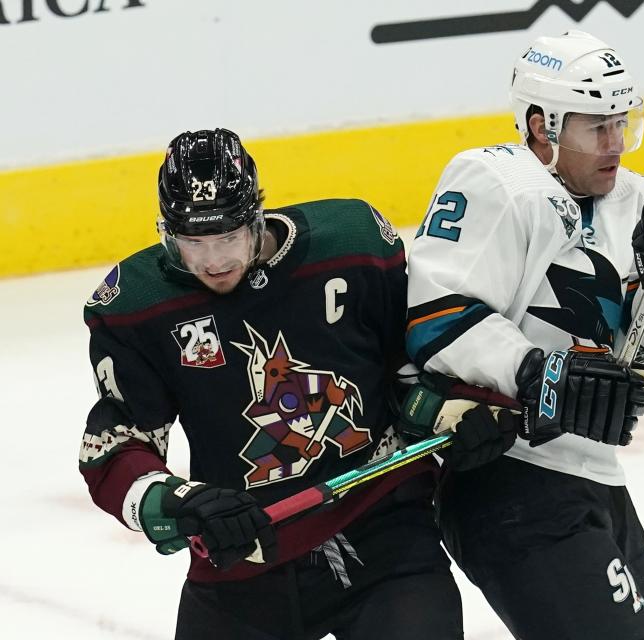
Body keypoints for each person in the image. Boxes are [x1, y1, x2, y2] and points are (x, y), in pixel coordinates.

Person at [79, 128, 464, 639]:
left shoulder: (353, 249)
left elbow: (419, 368)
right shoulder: (138, 308)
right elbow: (118, 444)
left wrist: (453, 406)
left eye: (227, 238)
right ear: (166, 232)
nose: (213, 261)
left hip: (383, 528)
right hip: (243, 552)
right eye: (193, 241)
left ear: (256, 218)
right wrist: (179, 500)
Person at [405, 31, 644, 640]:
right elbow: (437, 322)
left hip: (596, 475)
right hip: (504, 475)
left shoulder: (641, 201)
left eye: (622, 124)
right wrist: (540, 373)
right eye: (596, 128)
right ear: (541, 125)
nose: (616, 145)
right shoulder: (492, 184)